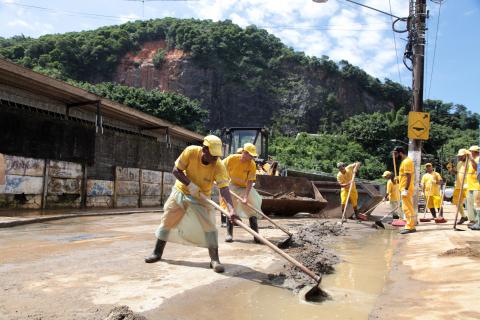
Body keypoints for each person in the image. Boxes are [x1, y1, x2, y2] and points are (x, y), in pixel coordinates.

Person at [144, 135, 239, 272]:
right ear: (204, 149)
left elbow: (224, 189)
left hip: (201, 197)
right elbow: (176, 171)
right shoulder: (191, 152)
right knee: (167, 221)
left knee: (210, 226)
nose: (215, 159)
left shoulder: (218, 166)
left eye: (217, 156)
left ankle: (215, 260)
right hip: (181, 191)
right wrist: (190, 185)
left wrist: (231, 209)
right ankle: (157, 253)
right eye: (212, 156)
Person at [221, 143, 262, 243]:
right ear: (244, 152)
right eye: (250, 155)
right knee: (230, 209)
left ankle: (256, 235)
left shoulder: (252, 164)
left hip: (245, 187)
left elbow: (250, 182)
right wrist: (220, 181)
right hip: (232, 185)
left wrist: (245, 197)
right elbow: (220, 168)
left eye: (253, 156)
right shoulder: (231, 159)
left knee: (252, 209)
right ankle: (229, 234)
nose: (251, 157)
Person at [393, 146, 416, 234]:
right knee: (406, 207)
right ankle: (410, 225)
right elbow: (404, 176)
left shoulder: (407, 162)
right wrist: (398, 178)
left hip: (406, 189)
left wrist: (405, 189)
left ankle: (410, 227)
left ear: (400, 153)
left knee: (407, 208)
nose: (395, 156)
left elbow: (409, 176)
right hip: (403, 188)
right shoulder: (404, 162)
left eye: (396, 154)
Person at [448, 149, 468, 225]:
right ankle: (463, 216)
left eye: (461, 156)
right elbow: (456, 173)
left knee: (471, 203)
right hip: (459, 185)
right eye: (459, 156)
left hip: (467, 185)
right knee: (456, 202)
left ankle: (475, 220)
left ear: (465, 155)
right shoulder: (459, 163)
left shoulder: (469, 162)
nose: (459, 157)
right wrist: (451, 169)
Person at [466, 145, 480, 230]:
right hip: (470, 186)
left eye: (471, 151)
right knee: (471, 206)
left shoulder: (478, 159)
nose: (470, 153)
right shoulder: (471, 160)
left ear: (475, 152)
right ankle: (475, 222)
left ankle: (479, 223)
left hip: (477, 186)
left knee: (477, 205)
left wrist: (471, 159)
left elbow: (476, 168)